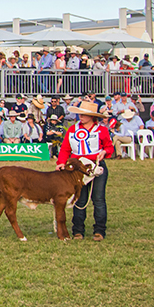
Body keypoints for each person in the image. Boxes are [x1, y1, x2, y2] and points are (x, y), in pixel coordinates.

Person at [57, 100, 114, 241]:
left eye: (84, 114)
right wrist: (61, 163)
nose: (80, 117)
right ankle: (78, 230)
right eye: (80, 114)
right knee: (79, 199)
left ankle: (100, 230)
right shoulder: (72, 130)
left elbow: (109, 146)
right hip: (78, 169)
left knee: (98, 199)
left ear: (92, 116)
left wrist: (104, 152)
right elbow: (65, 148)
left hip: (96, 166)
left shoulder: (102, 130)